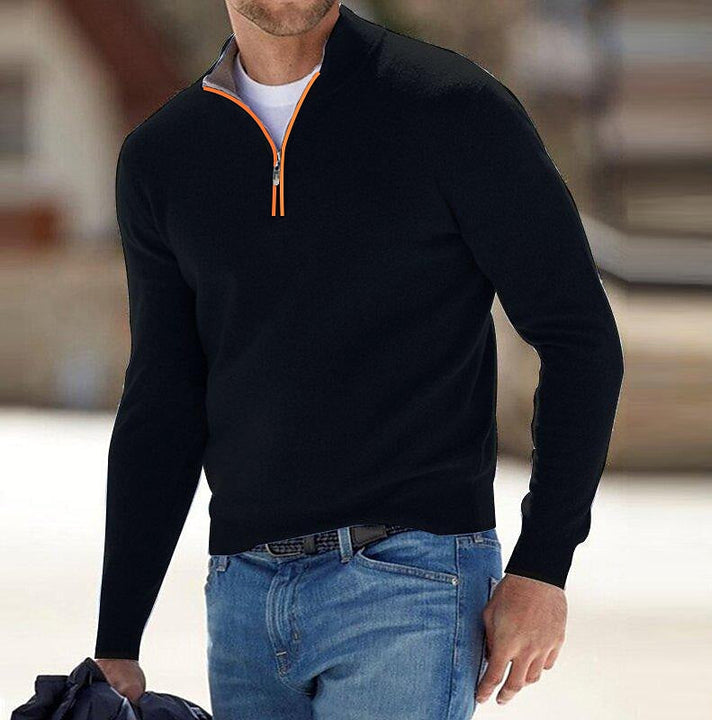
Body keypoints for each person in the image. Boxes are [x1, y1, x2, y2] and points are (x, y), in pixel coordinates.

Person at [93, 2, 624, 718]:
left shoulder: (451, 107)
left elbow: (579, 338)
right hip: (244, 598)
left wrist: (543, 566)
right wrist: (118, 638)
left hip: (410, 583)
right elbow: (162, 398)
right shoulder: (163, 155)